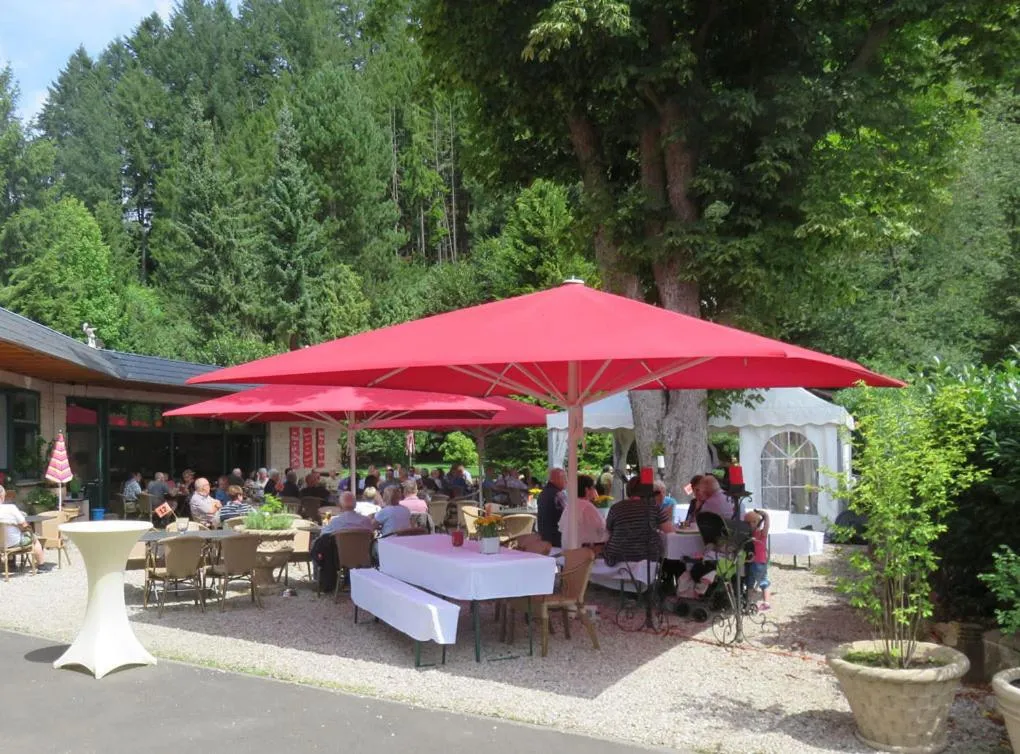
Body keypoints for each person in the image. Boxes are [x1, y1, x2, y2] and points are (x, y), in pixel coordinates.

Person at [602, 476, 673, 566]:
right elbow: (669, 530)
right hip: (648, 559)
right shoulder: (653, 507)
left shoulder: (615, 508)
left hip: (618, 558)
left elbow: (608, 530)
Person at [0, 485, 45, 567]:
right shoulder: (10, 508)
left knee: (10, 534)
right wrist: (28, 531)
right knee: (34, 539)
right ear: (2, 496)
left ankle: (11, 564)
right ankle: (42, 565)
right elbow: (24, 524)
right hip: (13, 542)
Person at [558, 475, 607, 548]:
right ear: (587, 490)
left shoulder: (570, 505)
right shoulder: (587, 506)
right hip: (582, 552)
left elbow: (561, 527)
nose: (595, 490)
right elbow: (603, 527)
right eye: (593, 488)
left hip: (566, 551)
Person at [744, 509, 772, 611]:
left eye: (753, 522)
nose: (750, 525)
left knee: (763, 582)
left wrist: (766, 516)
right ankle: (748, 603)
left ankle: (766, 602)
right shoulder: (749, 535)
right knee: (750, 583)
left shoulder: (761, 534)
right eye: (748, 523)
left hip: (760, 561)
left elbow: (766, 527)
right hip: (751, 562)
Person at [536, 468, 567, 548]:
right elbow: (569, 515)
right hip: (558, 540)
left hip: (544, 539)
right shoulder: (558, 494)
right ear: (555, 479)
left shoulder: (542, 493)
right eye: (564, 478)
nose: (566, 481)